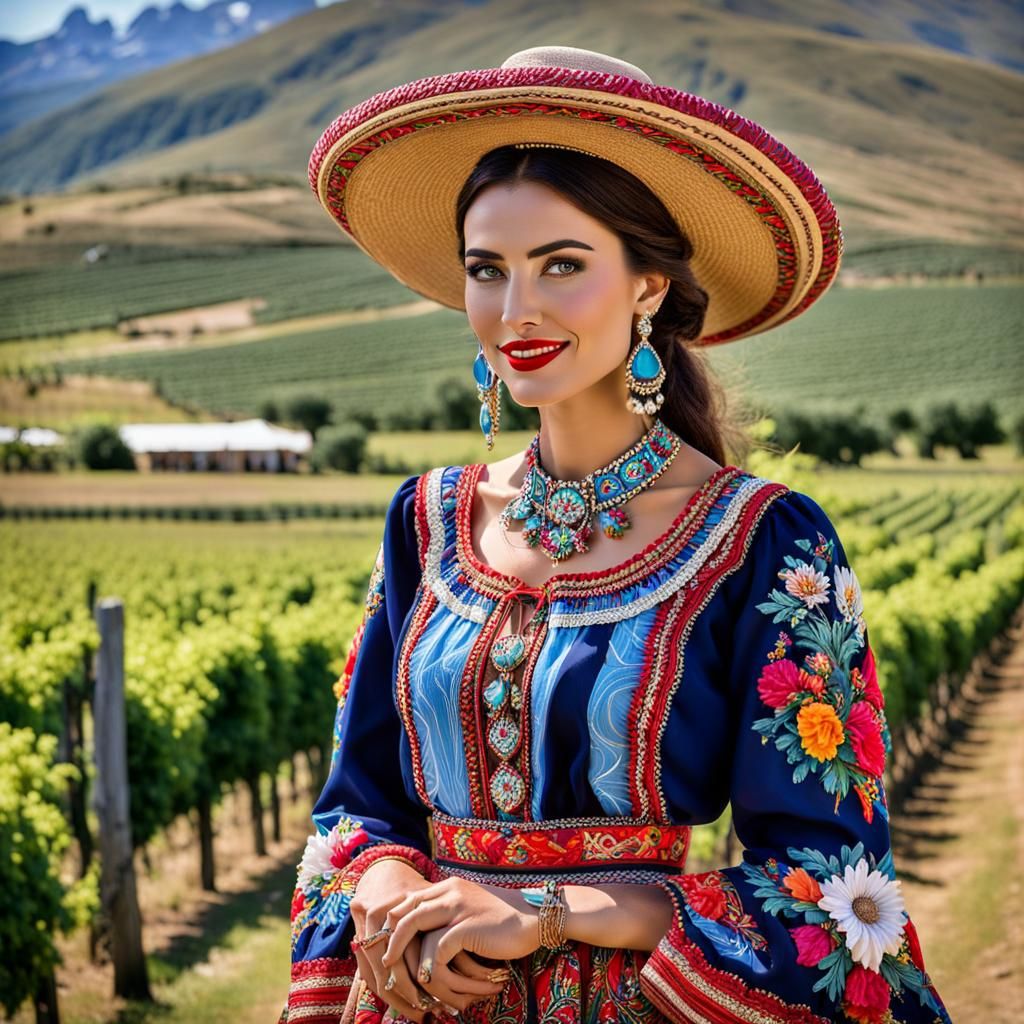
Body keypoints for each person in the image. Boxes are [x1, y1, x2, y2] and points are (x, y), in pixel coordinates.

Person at [282, 46, 951, 1024]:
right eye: (486, 270)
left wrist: (544, 913)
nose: (515, 312)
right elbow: (361, 804)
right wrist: (387, 893)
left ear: (646, 286)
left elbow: (827, 882)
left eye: (560, 264)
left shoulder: (763, 542)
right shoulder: (424, 520)